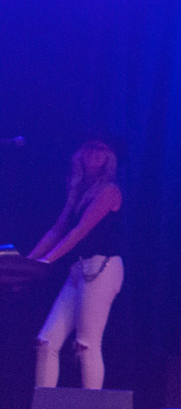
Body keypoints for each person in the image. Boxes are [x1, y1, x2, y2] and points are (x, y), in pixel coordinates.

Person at [28, 140, 124, 390]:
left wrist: (47, 261)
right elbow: (57, 231)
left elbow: (80, 231)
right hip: (79, 269)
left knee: (86, 345)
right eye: (90, 147)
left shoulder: (109, 191)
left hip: (102, 268)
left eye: (101, 149)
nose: (94, 153)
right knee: (46, 342)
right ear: (80, 153)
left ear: (109, 157)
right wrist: (27, 263)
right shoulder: (79, 191)